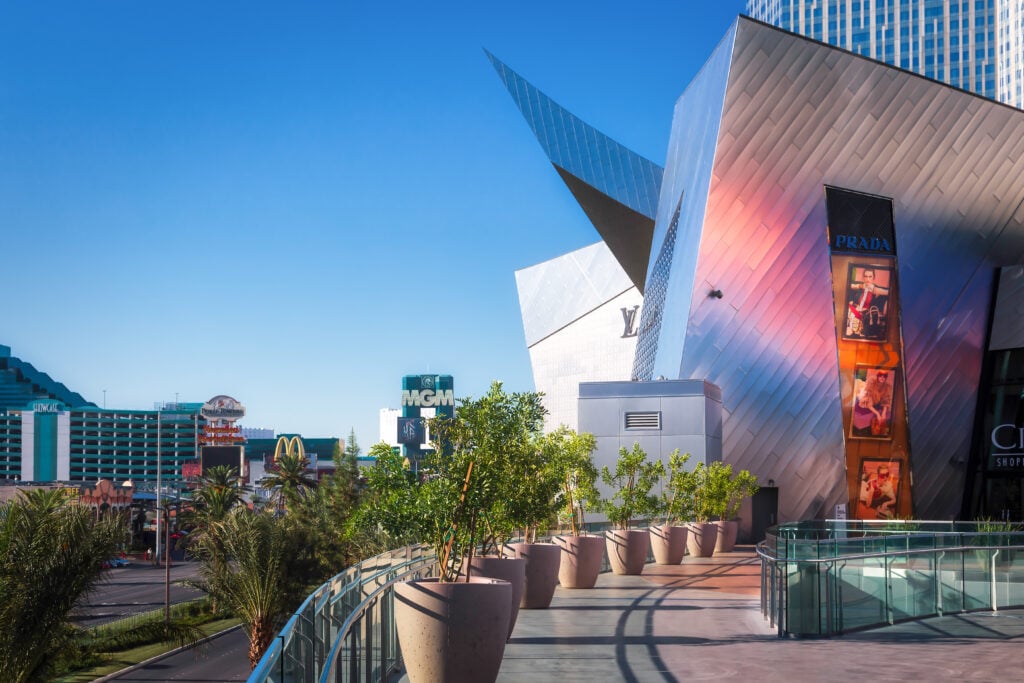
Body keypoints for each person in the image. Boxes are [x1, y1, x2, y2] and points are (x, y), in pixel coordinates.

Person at [847, 268, 890, 339]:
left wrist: (876, 290)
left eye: (870, 276)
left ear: (874, 278)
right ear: (863, 277)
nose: (868, 279)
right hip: (854, 313)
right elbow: (848, 285)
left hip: (866, 317)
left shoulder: (876, 289)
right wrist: (859, 286)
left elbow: (890, 292)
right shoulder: (861, 287)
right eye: (865, 276)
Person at [852, 370, 893, 437]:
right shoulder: (872, 384)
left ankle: (880, 431)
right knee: (875, 413)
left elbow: (886, 401)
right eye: (880, 376)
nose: (882, 378)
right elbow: (869, 404)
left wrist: (884, 414)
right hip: (867, 403)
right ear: (877, 376)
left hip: (876, 404)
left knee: (885, 414)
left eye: (884, 376)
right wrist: (877, 414)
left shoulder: (886, 387)